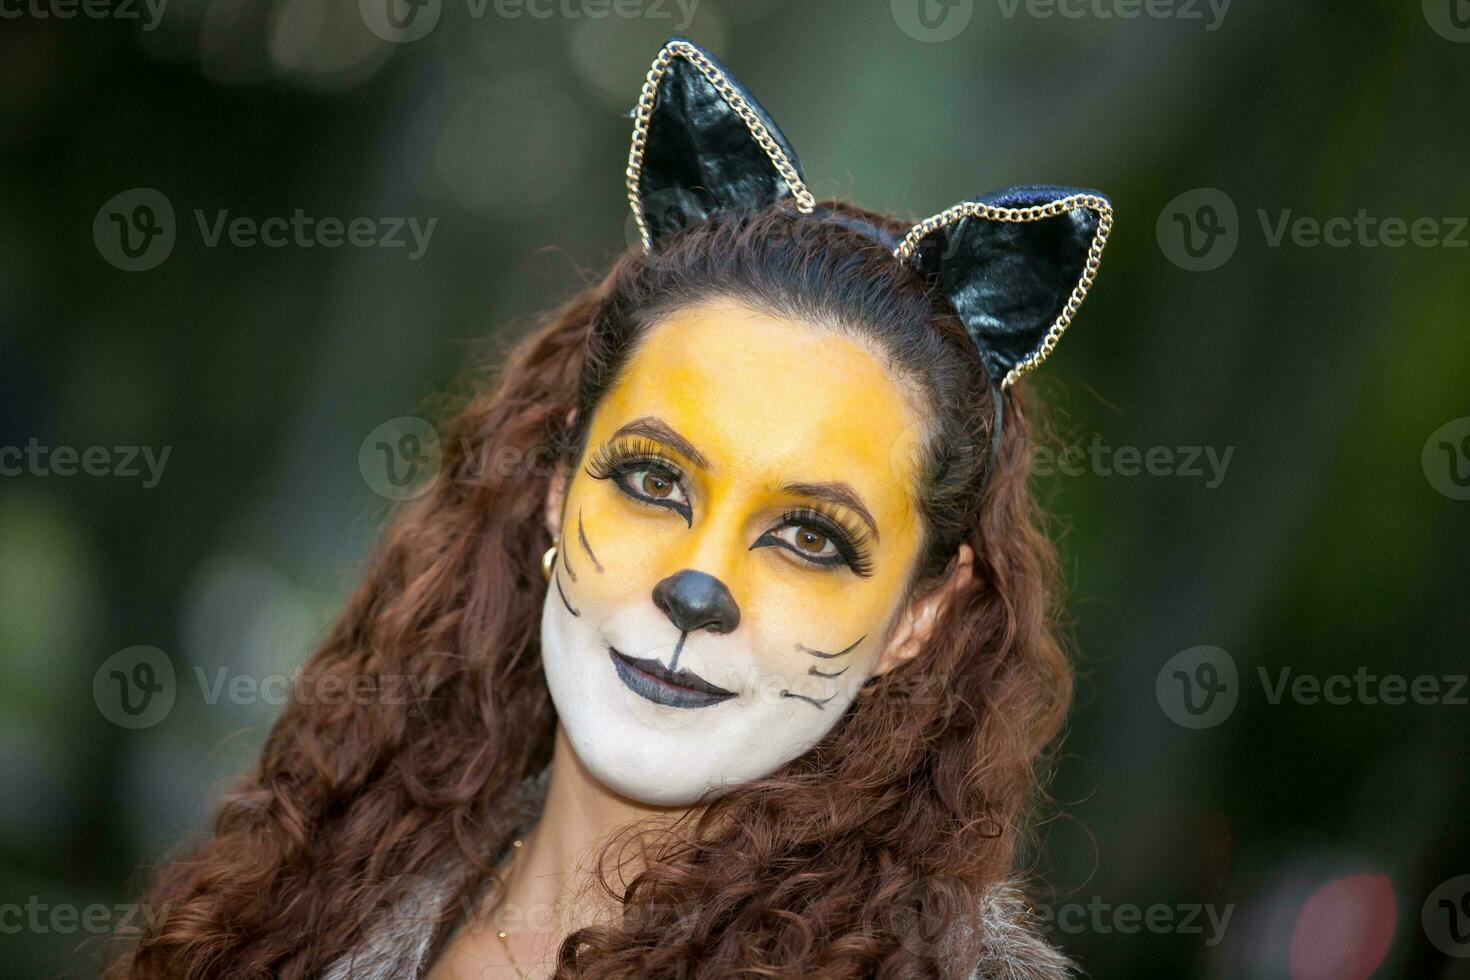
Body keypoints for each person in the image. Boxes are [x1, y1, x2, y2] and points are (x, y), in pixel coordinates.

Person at [105, 36, 1112, 979]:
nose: (698, 585)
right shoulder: (300, 896)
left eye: (810, 535)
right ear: (556, 487)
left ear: (918, 615)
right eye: (652, 480)